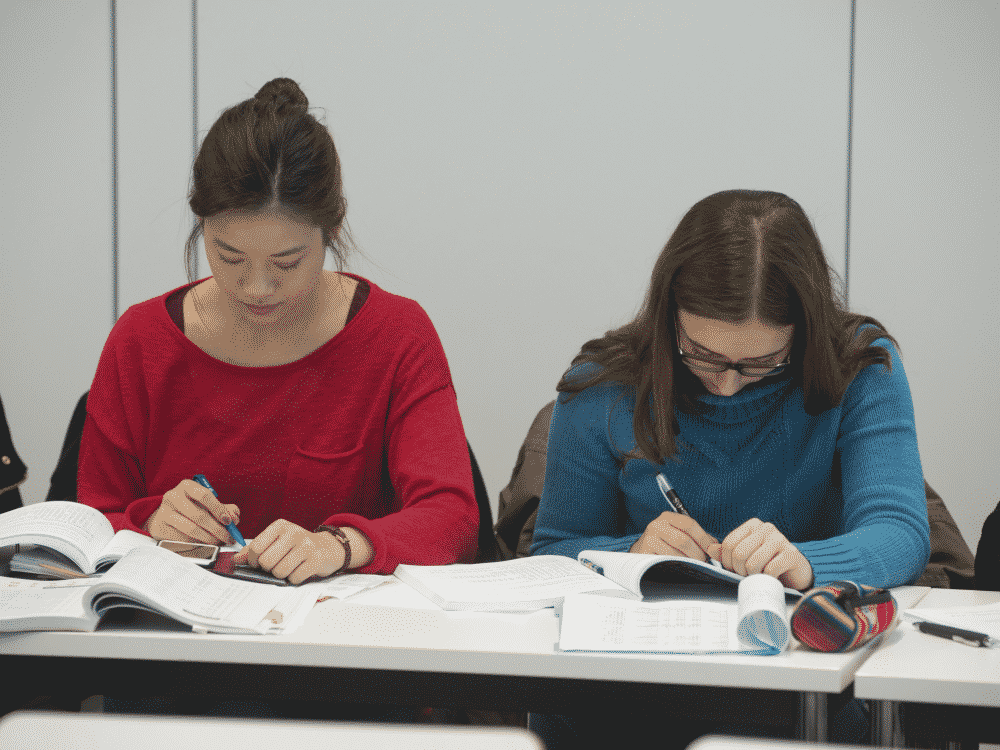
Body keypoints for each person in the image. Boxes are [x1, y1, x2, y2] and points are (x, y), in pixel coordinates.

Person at [78, 78, 477, 718]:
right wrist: (151, 524)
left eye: (287, 262)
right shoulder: (141, 342)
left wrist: (339, 546)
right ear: (201, 225)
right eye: (228, 255)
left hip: (353, 677)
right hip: (177, 677)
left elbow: (451, 516)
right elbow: (90, 521)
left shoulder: (396, 335)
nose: (256, 287)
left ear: (331, 230)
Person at [528, 189, 930, 749]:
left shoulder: (858, 368)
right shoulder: (604, 384)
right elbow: (553, 550)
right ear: (669, 315)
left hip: (806, 680)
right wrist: (629, 554)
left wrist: (804, 563)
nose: (726, 384)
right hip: (636, 686)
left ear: (803, 329)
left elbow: (900, 531)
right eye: (702, 354)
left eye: (760, 363)